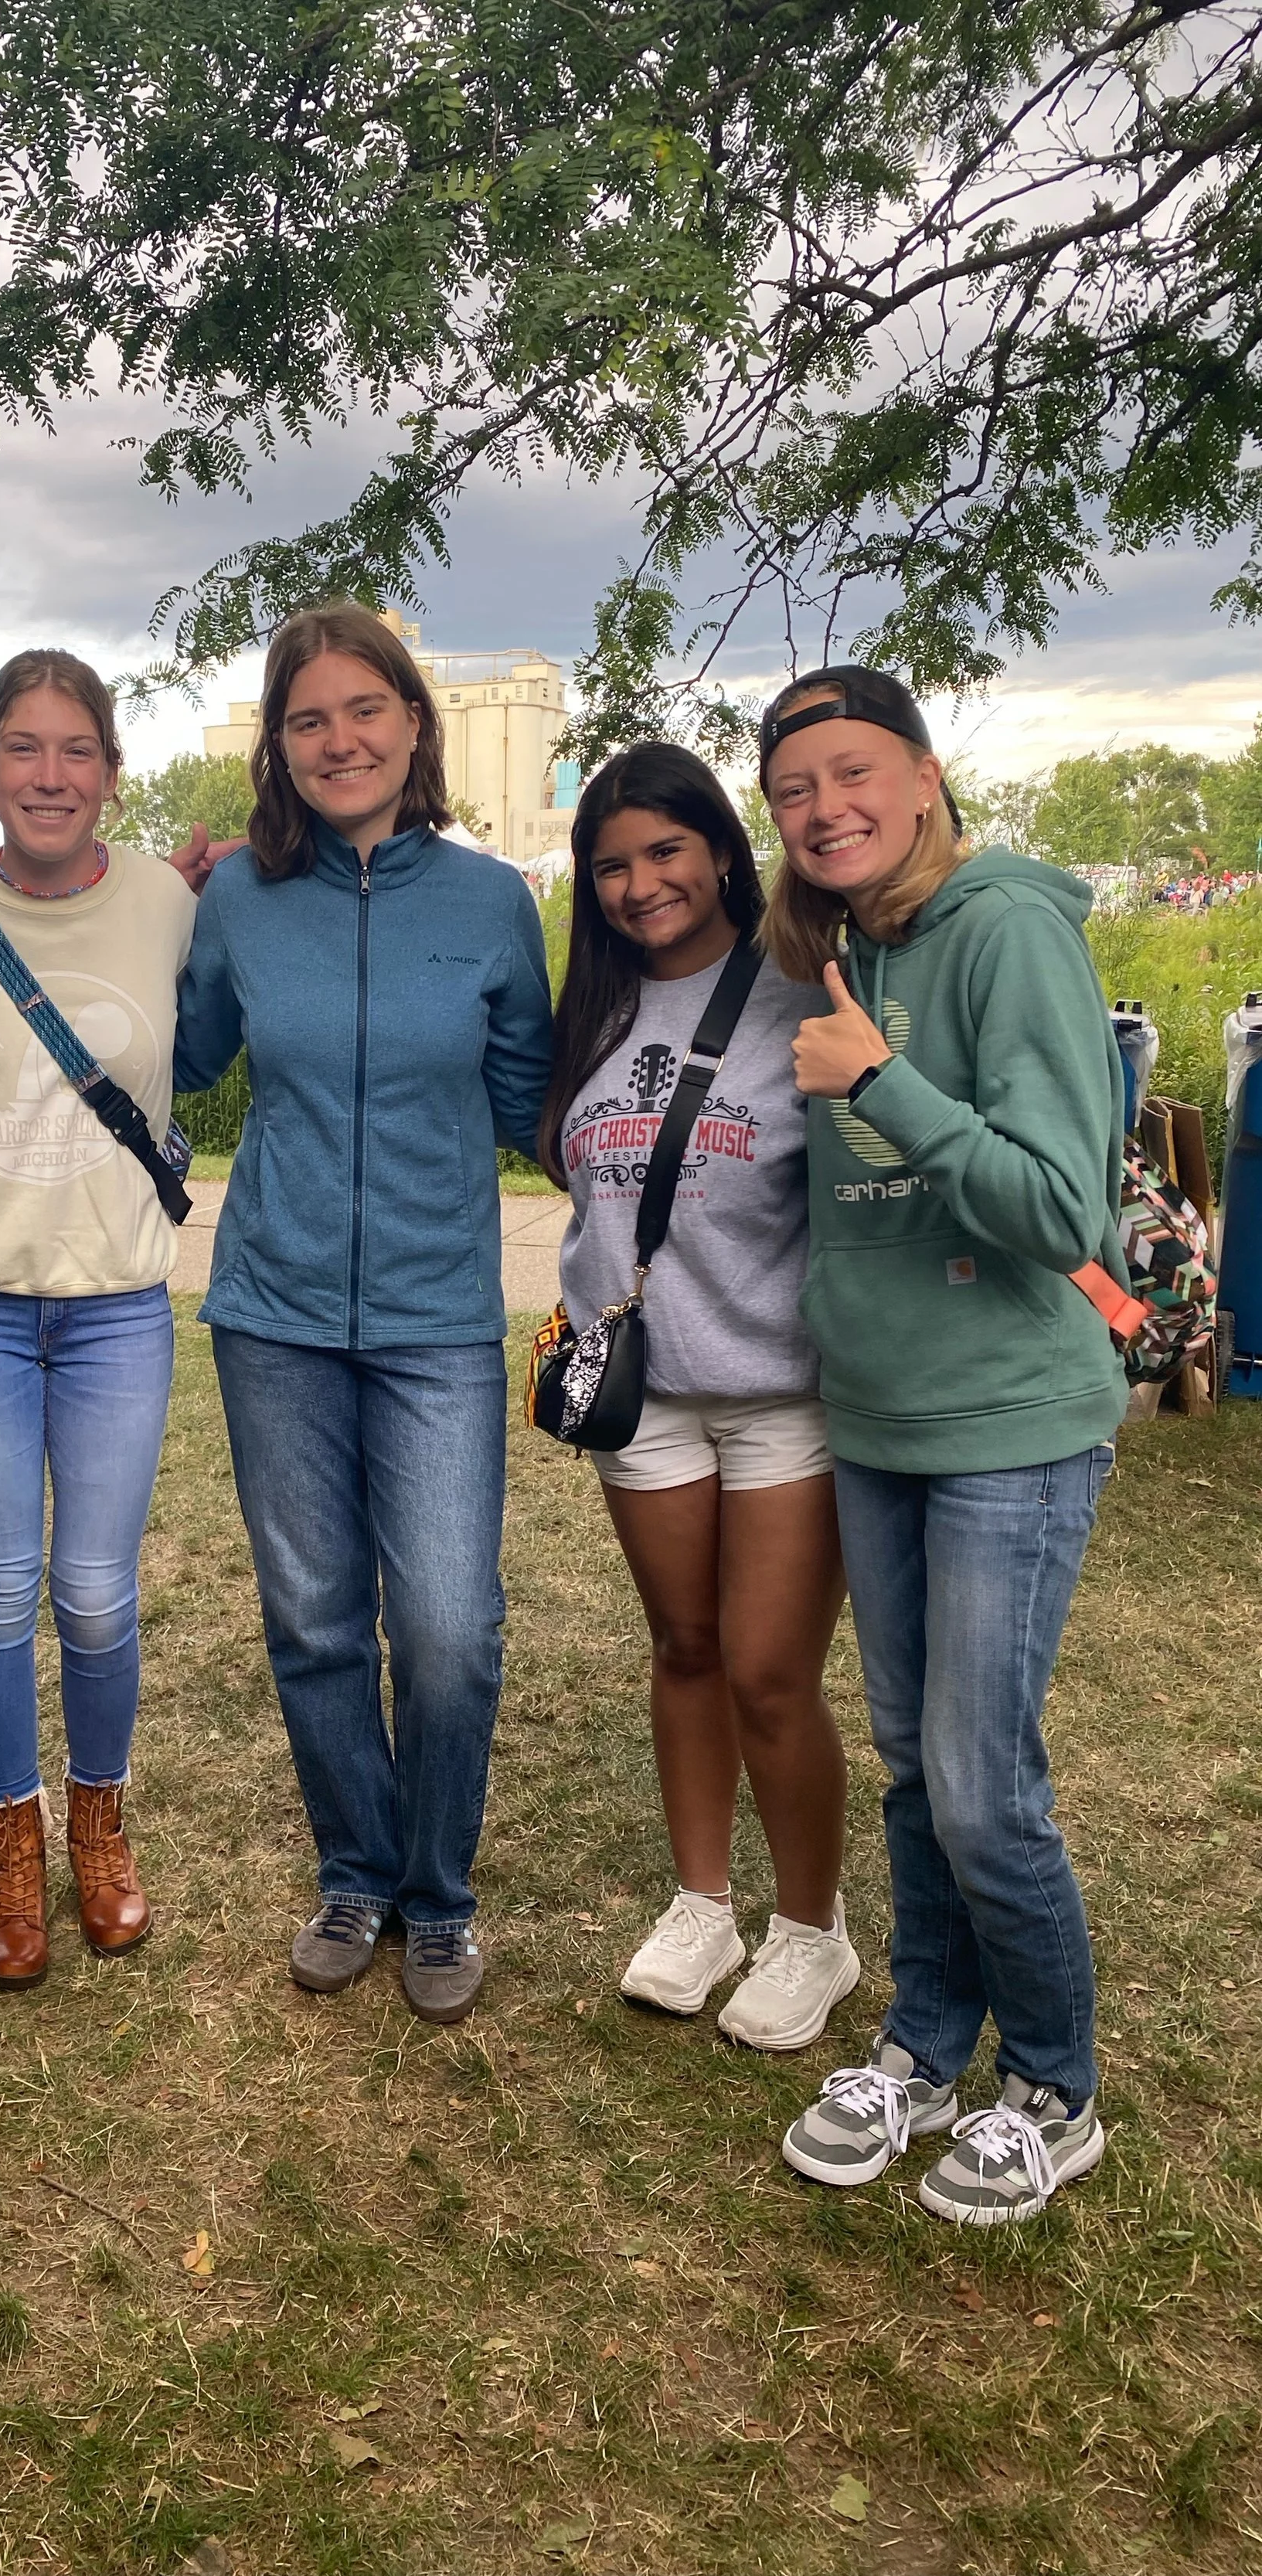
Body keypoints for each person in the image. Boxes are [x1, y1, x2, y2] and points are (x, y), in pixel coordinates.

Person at [760, 665, 1126, 2224]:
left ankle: (1051, 2082)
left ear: (920, 775)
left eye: (851, 773)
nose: (823, 807)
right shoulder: (850, 951)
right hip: (881, 1421)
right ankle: (922, 2043)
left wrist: (883, 1083)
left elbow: (1062, 1211)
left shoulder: (1008, 930)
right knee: (915, 1765)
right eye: (790, 790)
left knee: (983, 1783)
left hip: (1006, 1425)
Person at [173, 601, 553, 2025]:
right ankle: (357, 1872)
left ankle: (441, 1894)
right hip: (270, 1310)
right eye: (308, 717)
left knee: (450, 1626)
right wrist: (159, 900)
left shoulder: (493, 900)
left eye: (364, 709)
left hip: (436, 1316)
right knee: (317, 1619)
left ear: (415, 722)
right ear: (278, 746)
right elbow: (191, 1043)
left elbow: (533, 1102)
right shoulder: (240, 899)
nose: (340, 738)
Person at [0, 652, 196, 1988]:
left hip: (117, 1305)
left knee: (96, 1591)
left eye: (76, 750)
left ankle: (100, 1823)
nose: (50, 774)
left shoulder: (171, 903)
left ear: (112, 775)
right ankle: (12, 1852)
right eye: (23, 747)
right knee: (0, 1590)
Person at [539, 745, 859, 2049]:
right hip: (645, 1398)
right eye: (611, 864)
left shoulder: (802, 993)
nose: (639, 883)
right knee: (685, 1649)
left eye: (665, 851)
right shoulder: (597, 1009)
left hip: (784, 1391)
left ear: (723, 852)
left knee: (774, 1674)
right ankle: (702, 1903)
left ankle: (812, 1930)